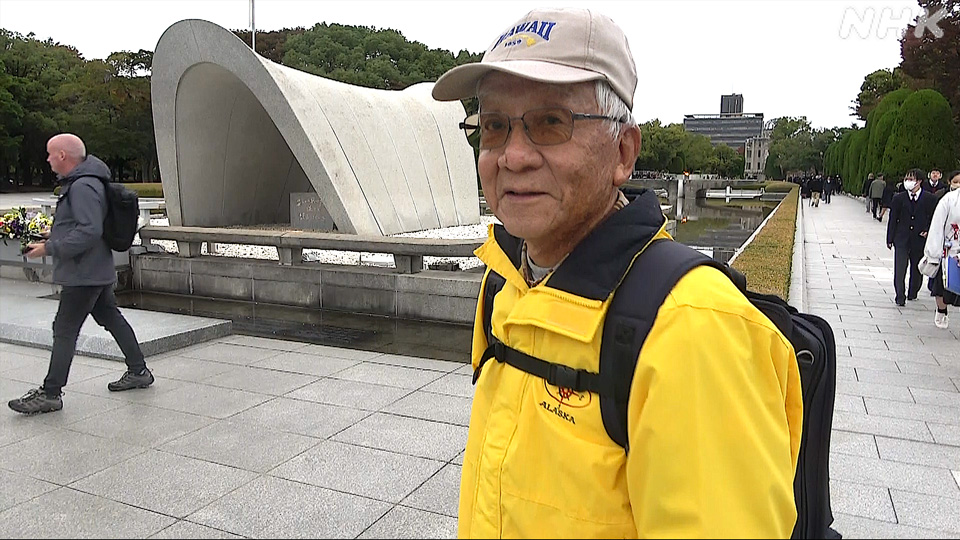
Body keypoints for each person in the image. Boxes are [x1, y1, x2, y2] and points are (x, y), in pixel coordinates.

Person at [431, 8, 801, 538]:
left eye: (550, 123)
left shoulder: (695, 328)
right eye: (493, 126)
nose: (511, 156)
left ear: (623, 152)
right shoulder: (506, 279)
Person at [7, 134, 154, 415]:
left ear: (63, 155)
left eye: (51, 154)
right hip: (95, 270)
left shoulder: (83, 186)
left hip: (83, 274)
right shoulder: (86, 182)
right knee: (110, 317)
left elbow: (89, 231)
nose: (48, 160)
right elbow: (87, 225)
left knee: (64, 330)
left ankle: (50, 393)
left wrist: (49, 248)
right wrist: (55, 232)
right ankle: (139, 371)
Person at [886, 168, 938, 306]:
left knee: (916, 268)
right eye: (907, 179)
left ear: (919, 181)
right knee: (900, 268)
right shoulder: (899, 198)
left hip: (919, 238)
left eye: (912, 179)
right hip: (901, 238)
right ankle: (900, 296)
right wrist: (890, 238)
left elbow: (934, 218)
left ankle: (913, 291)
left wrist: (928, 231)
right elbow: (893, 218)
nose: (908, 181)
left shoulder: (929, 199)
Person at [922, 170, 960, 328]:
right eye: (956, 182)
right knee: (942, 286)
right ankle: (941, 309)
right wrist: (933, 252)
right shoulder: (948, 200)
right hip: (949, 249)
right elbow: (937, 226)